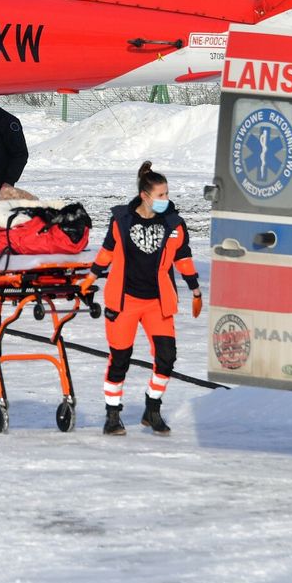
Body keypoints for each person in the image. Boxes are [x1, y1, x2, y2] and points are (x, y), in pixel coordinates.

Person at [79, 161, 202, 436]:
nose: (166, 199)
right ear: (145, 196)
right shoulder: (122, 219)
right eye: (161, 195)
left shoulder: (174, 223)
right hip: (125, 301)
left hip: (157, 303)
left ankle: (153, 409)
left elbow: (183, 258)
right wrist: (90, 278)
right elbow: (107, 252)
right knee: (120, 358)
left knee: (167, 357)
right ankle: (113, 415)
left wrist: (194, 288)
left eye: (167, 194)